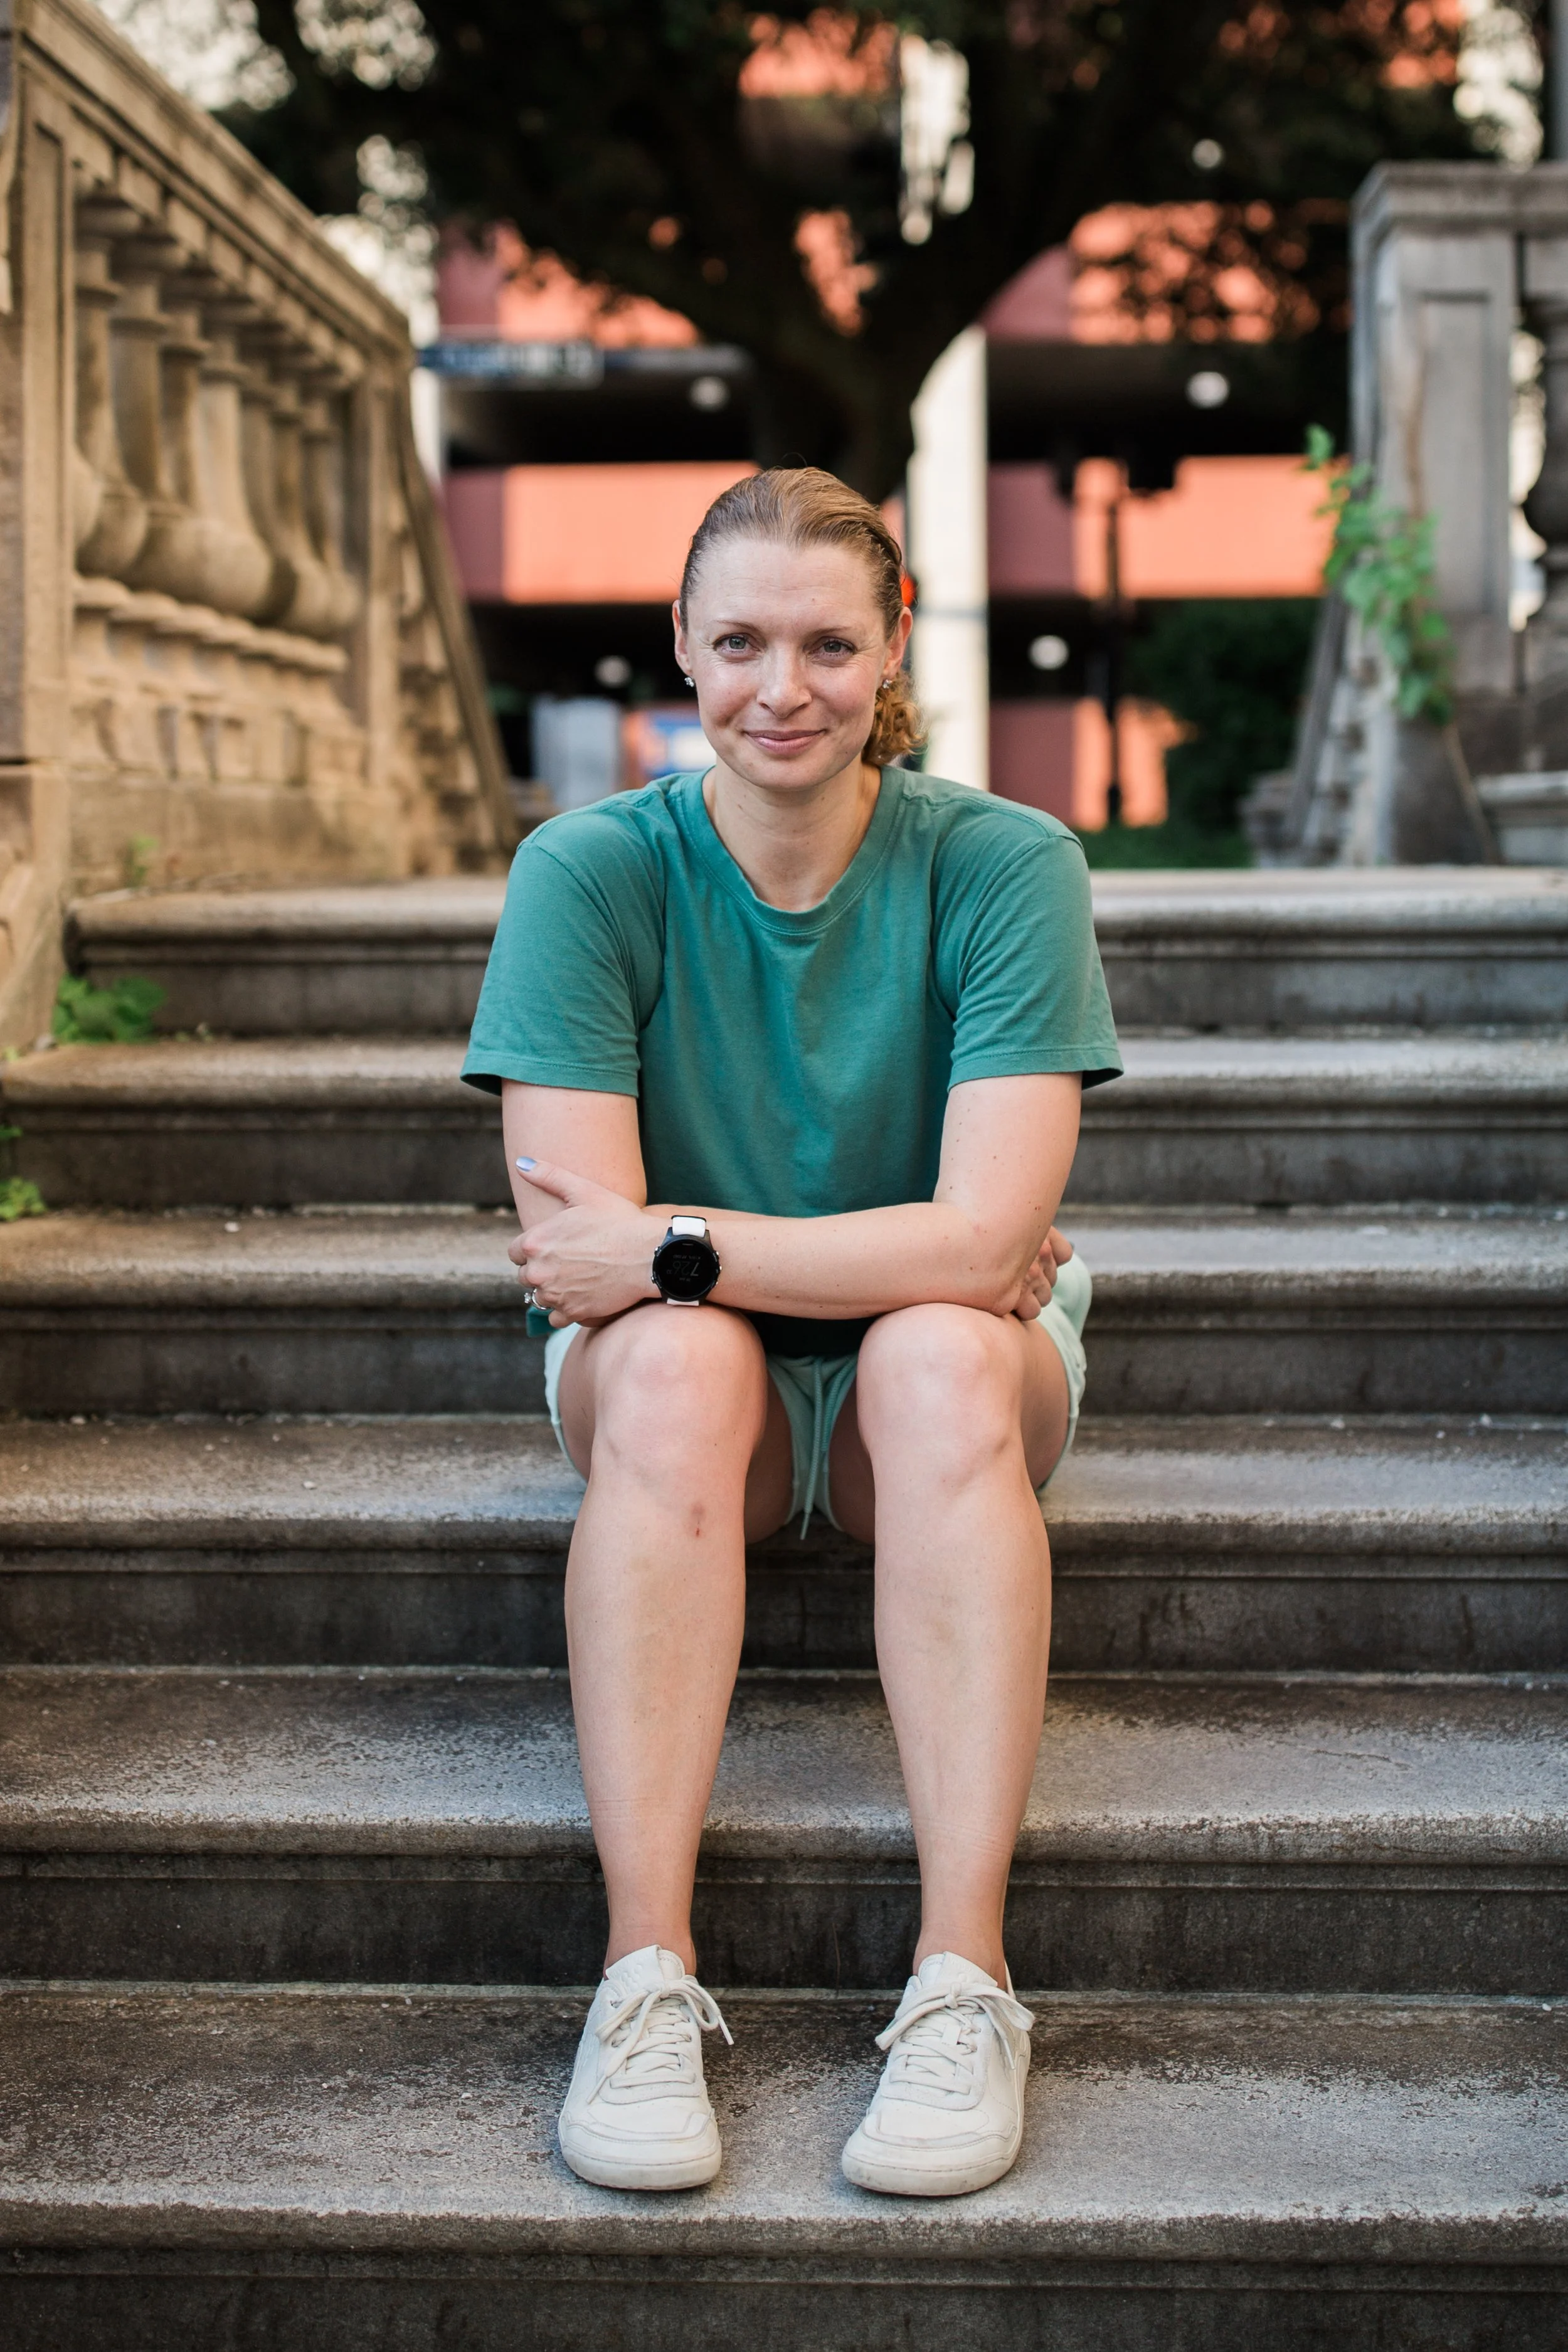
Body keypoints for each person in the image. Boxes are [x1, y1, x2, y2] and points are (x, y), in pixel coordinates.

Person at [462, 465, 1121, 2200]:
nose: (783, 689)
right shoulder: (589, 871)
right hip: (694, 1407)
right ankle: (642, 1981)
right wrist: (916, 1245)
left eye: (829, 645)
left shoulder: (1005, 865)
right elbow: (579, 1250)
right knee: (688, 1360)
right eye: (741, 640)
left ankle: (964, 1981)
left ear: (893, 644)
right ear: (682, 642)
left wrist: (677, 1242)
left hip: (948, 1394)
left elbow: (979, 1252)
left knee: (937, 1350)